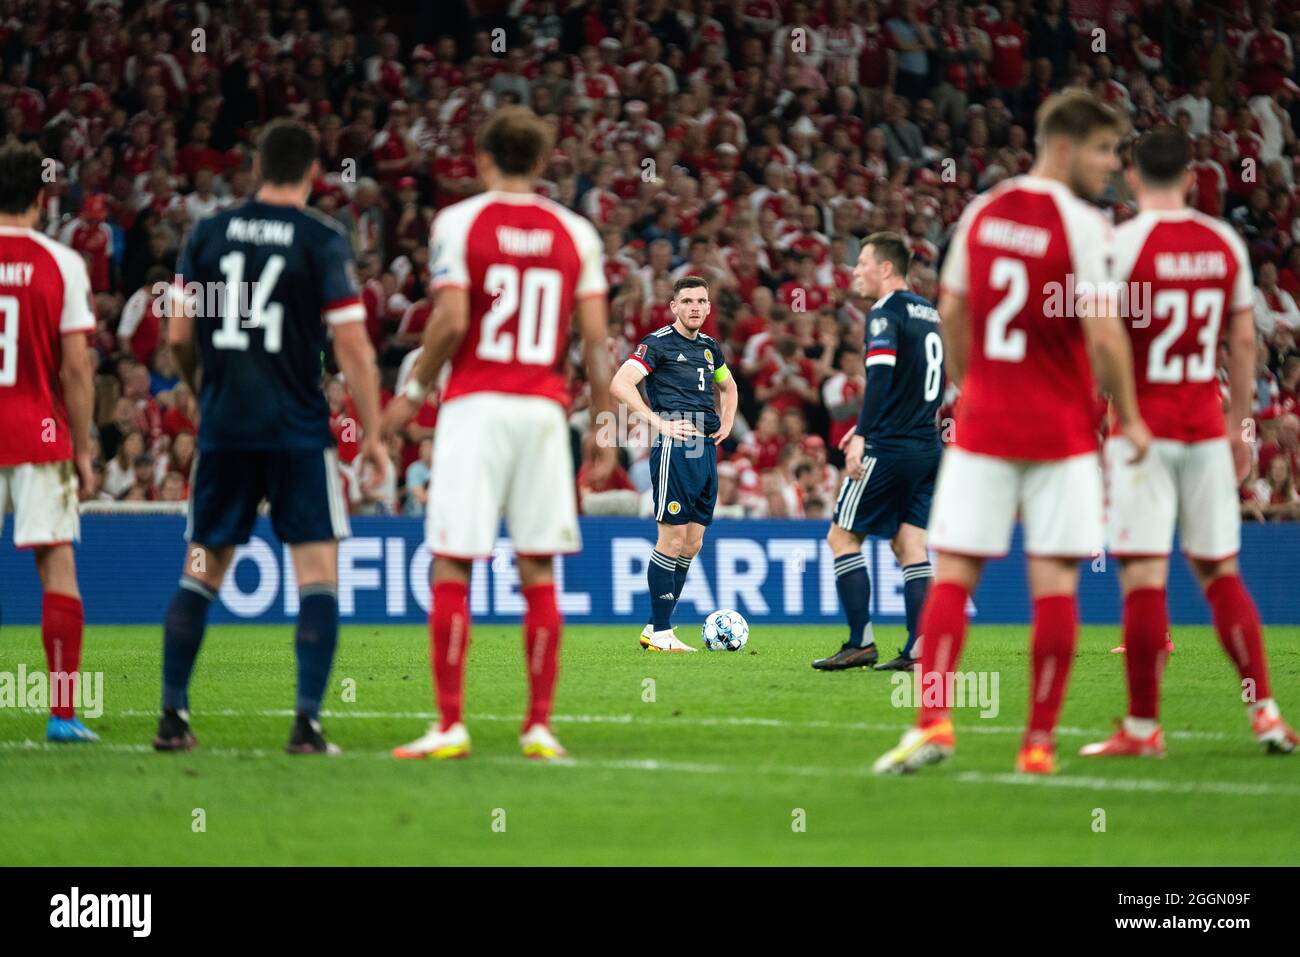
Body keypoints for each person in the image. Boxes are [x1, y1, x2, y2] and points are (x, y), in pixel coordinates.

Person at [874, 91, 1151, 776]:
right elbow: (1107, 333)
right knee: (1054, 583)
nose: (1112, 165)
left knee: (954, 575)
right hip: (1059, 430)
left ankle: (933, 720)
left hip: (985, 426)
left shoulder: (983, 213)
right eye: (1103, 150)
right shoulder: (1086, 227)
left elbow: (954, 314)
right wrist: (1131, 416)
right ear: (1064, 146)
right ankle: (1037, 741)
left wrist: (977, 388)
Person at [383, 106, 613, 761]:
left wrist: (414, 393)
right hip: (542, 412)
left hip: (475, 407)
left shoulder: (459, 222)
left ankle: (451, 722)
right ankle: (538, 725)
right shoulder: (576, 232)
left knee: (455, 561)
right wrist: (602, 422)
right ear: (542, 164)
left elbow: (451, 321)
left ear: (482, 160)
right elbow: (596, 342)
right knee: (537, 566)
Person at [155, 120, 387, 755]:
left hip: (225, 432)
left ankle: (172, 716)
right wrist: (373, 433)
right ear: (313, 173)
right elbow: (353, 347)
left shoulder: (206, 232)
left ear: (256, 166)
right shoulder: (321, 237)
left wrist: (207, 393)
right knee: (316, 573)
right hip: (296, 432)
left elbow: (177, 337)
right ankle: (307, 723)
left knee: (200, 567)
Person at [1084, 127, 1298, 756]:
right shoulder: (1224, 244)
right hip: (1204, 428)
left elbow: (1101, 346)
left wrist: (1120, 414)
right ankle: (1265, 713)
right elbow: (1243, 344)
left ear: (1132, 177)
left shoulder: (1116, 247)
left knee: (1145, 577)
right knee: (1221, 573)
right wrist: (1237, 427)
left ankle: (1144, 730)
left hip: (1140, 432)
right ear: (1189, 177)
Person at [0, 142, 98, 742]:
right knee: (56, 562)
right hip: (40, 433)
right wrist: (83, 451)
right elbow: (78, 370)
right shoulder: (62, 263)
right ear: (41, 197)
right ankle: (62, 714)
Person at [813, 232, 942, 673]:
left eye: (862, 262)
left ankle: (860, 643)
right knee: (911, 543)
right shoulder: (930, 312)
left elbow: (881, 378)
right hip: (927, 445)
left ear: (886, 268)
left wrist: (862, 433)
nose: (855, 271)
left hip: (888, 446)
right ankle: (920, 647)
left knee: (842, 537)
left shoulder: (885, 311)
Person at [609, 276, 738, 652]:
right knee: (672, 538)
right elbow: (620, 383)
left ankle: (656, 628)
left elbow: (729, 387)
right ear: (674, 307)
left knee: (693, 542)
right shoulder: (657, 343)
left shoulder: (711, 349)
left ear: (709, 307)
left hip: (706, 450)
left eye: (701, 301)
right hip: (675, 448)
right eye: (688, 301)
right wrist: (658, 422)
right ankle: (662, 632)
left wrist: (727, 421)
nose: (695, 307)